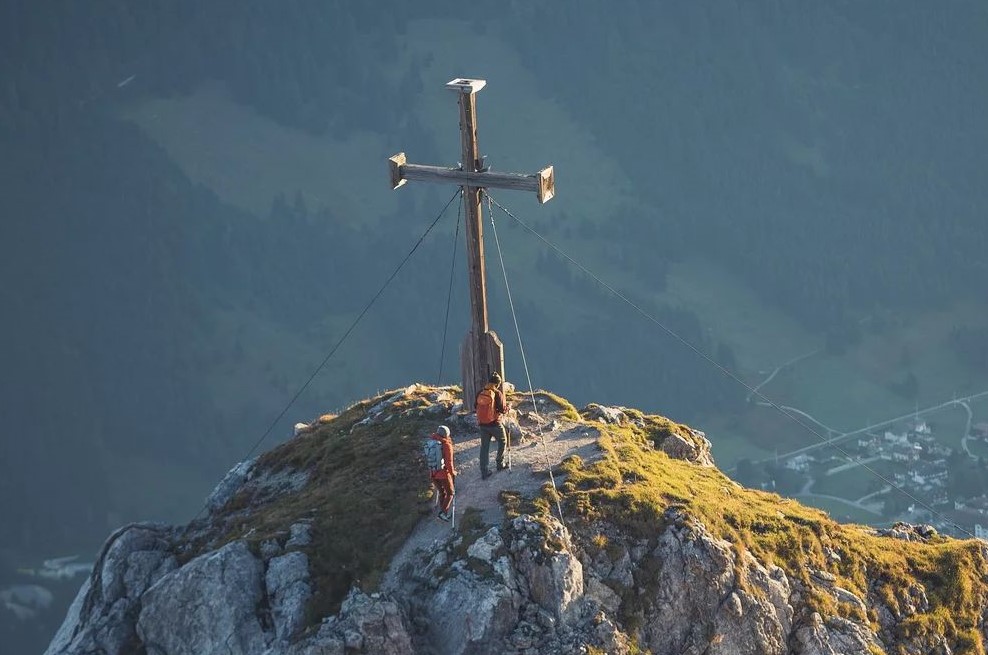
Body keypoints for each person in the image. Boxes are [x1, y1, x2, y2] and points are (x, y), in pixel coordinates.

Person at [476, 371, 509, 479]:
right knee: (503, 441)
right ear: (497, 384)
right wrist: (508, 408)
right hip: (495, 424)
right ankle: (500, 464)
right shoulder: (497, 393)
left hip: (482, 425)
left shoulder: (481, 392)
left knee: (484, 447)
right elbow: (503, 410)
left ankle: (484, 472)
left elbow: (475, 406)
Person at [429, 425, 457, 521]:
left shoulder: (431, 442)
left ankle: (442, 512)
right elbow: (449, 462)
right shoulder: (446, 444)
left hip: (432, 472)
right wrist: (453, 473)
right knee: (450, 493)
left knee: (442, 492)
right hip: (443, 473)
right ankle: (443, 513)